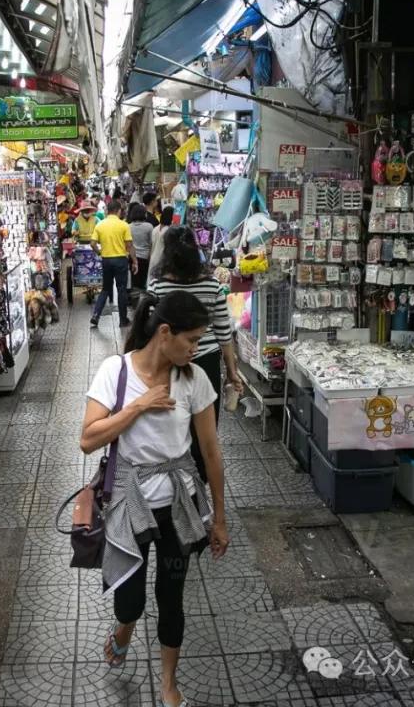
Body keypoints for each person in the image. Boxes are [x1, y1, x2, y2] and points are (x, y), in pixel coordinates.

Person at [80, 291, 229, 707]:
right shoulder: (116, 371)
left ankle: (168, 683)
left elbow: (212, 453)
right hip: (129, 505)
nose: (196, 349)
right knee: (130, 599)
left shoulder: (194, 380)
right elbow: (88, 439)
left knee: (171, 595)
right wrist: (139, 406)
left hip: (177, 507)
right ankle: (124, 626)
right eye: (192, 340)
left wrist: (218, 518)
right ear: (165, 332)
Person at [149, 226, 243, 482]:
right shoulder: (212, 286)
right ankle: (200, 484)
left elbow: (152, 333)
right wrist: (232, 373)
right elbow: (224, 334)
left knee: (172, 424)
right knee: (206, 430)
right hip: (206, 364)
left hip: (169, 366)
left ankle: (175, 480)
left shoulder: (158, 286)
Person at [90, 199, 137, 327]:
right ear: (118, 211)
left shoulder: (100, 225)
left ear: (108, 211)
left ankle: (96, 315)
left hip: (106, 260)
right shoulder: (124, 225)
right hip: (121, 260)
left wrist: (99, 252)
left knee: (105, 289)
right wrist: (135, 261)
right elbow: (129, 245)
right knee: (121, 289)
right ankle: (123, 320)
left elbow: (92, 243)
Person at [127, 202, 154, 292]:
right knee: (143, 280)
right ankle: (142, 299)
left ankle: (134, 298)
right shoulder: (149, 227)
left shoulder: (128, 227)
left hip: (132, 257)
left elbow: (128, 244)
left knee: (134, 280)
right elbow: (151, 243)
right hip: (145, 257)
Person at [148, 206, 175, 279]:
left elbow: (151, 246)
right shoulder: (168, 231)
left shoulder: (155, 229)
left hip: (153, 258)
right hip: (162, 260)